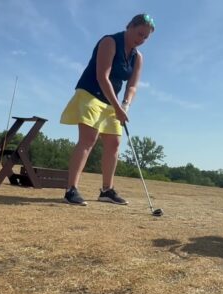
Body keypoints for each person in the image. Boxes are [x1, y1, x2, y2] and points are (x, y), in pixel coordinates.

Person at [60, 14, 155, 206]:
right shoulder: (109, 41)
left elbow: (132, 86)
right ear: (129, 26)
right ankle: (71, 190)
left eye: (145, 37)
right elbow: (103, 76)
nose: (141, 39)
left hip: (112, 101)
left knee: (114, 143)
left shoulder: (138, 57)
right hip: (90, 93)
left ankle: (106, 190)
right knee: (88, 139)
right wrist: (118, 106)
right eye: (139, 34)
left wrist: (125, 105)